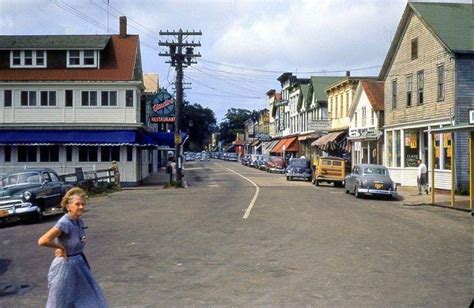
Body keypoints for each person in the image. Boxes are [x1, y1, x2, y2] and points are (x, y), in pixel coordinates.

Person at [38, 187, 108, 308]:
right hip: (65, 267)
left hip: (79, 265)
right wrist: (60, 247)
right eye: (77, 204)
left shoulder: (79, 221)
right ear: (68, 206)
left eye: (83, 204)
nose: (81, 207)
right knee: (60, 302)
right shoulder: (64, 223)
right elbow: (43, 240)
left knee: (92, 298)